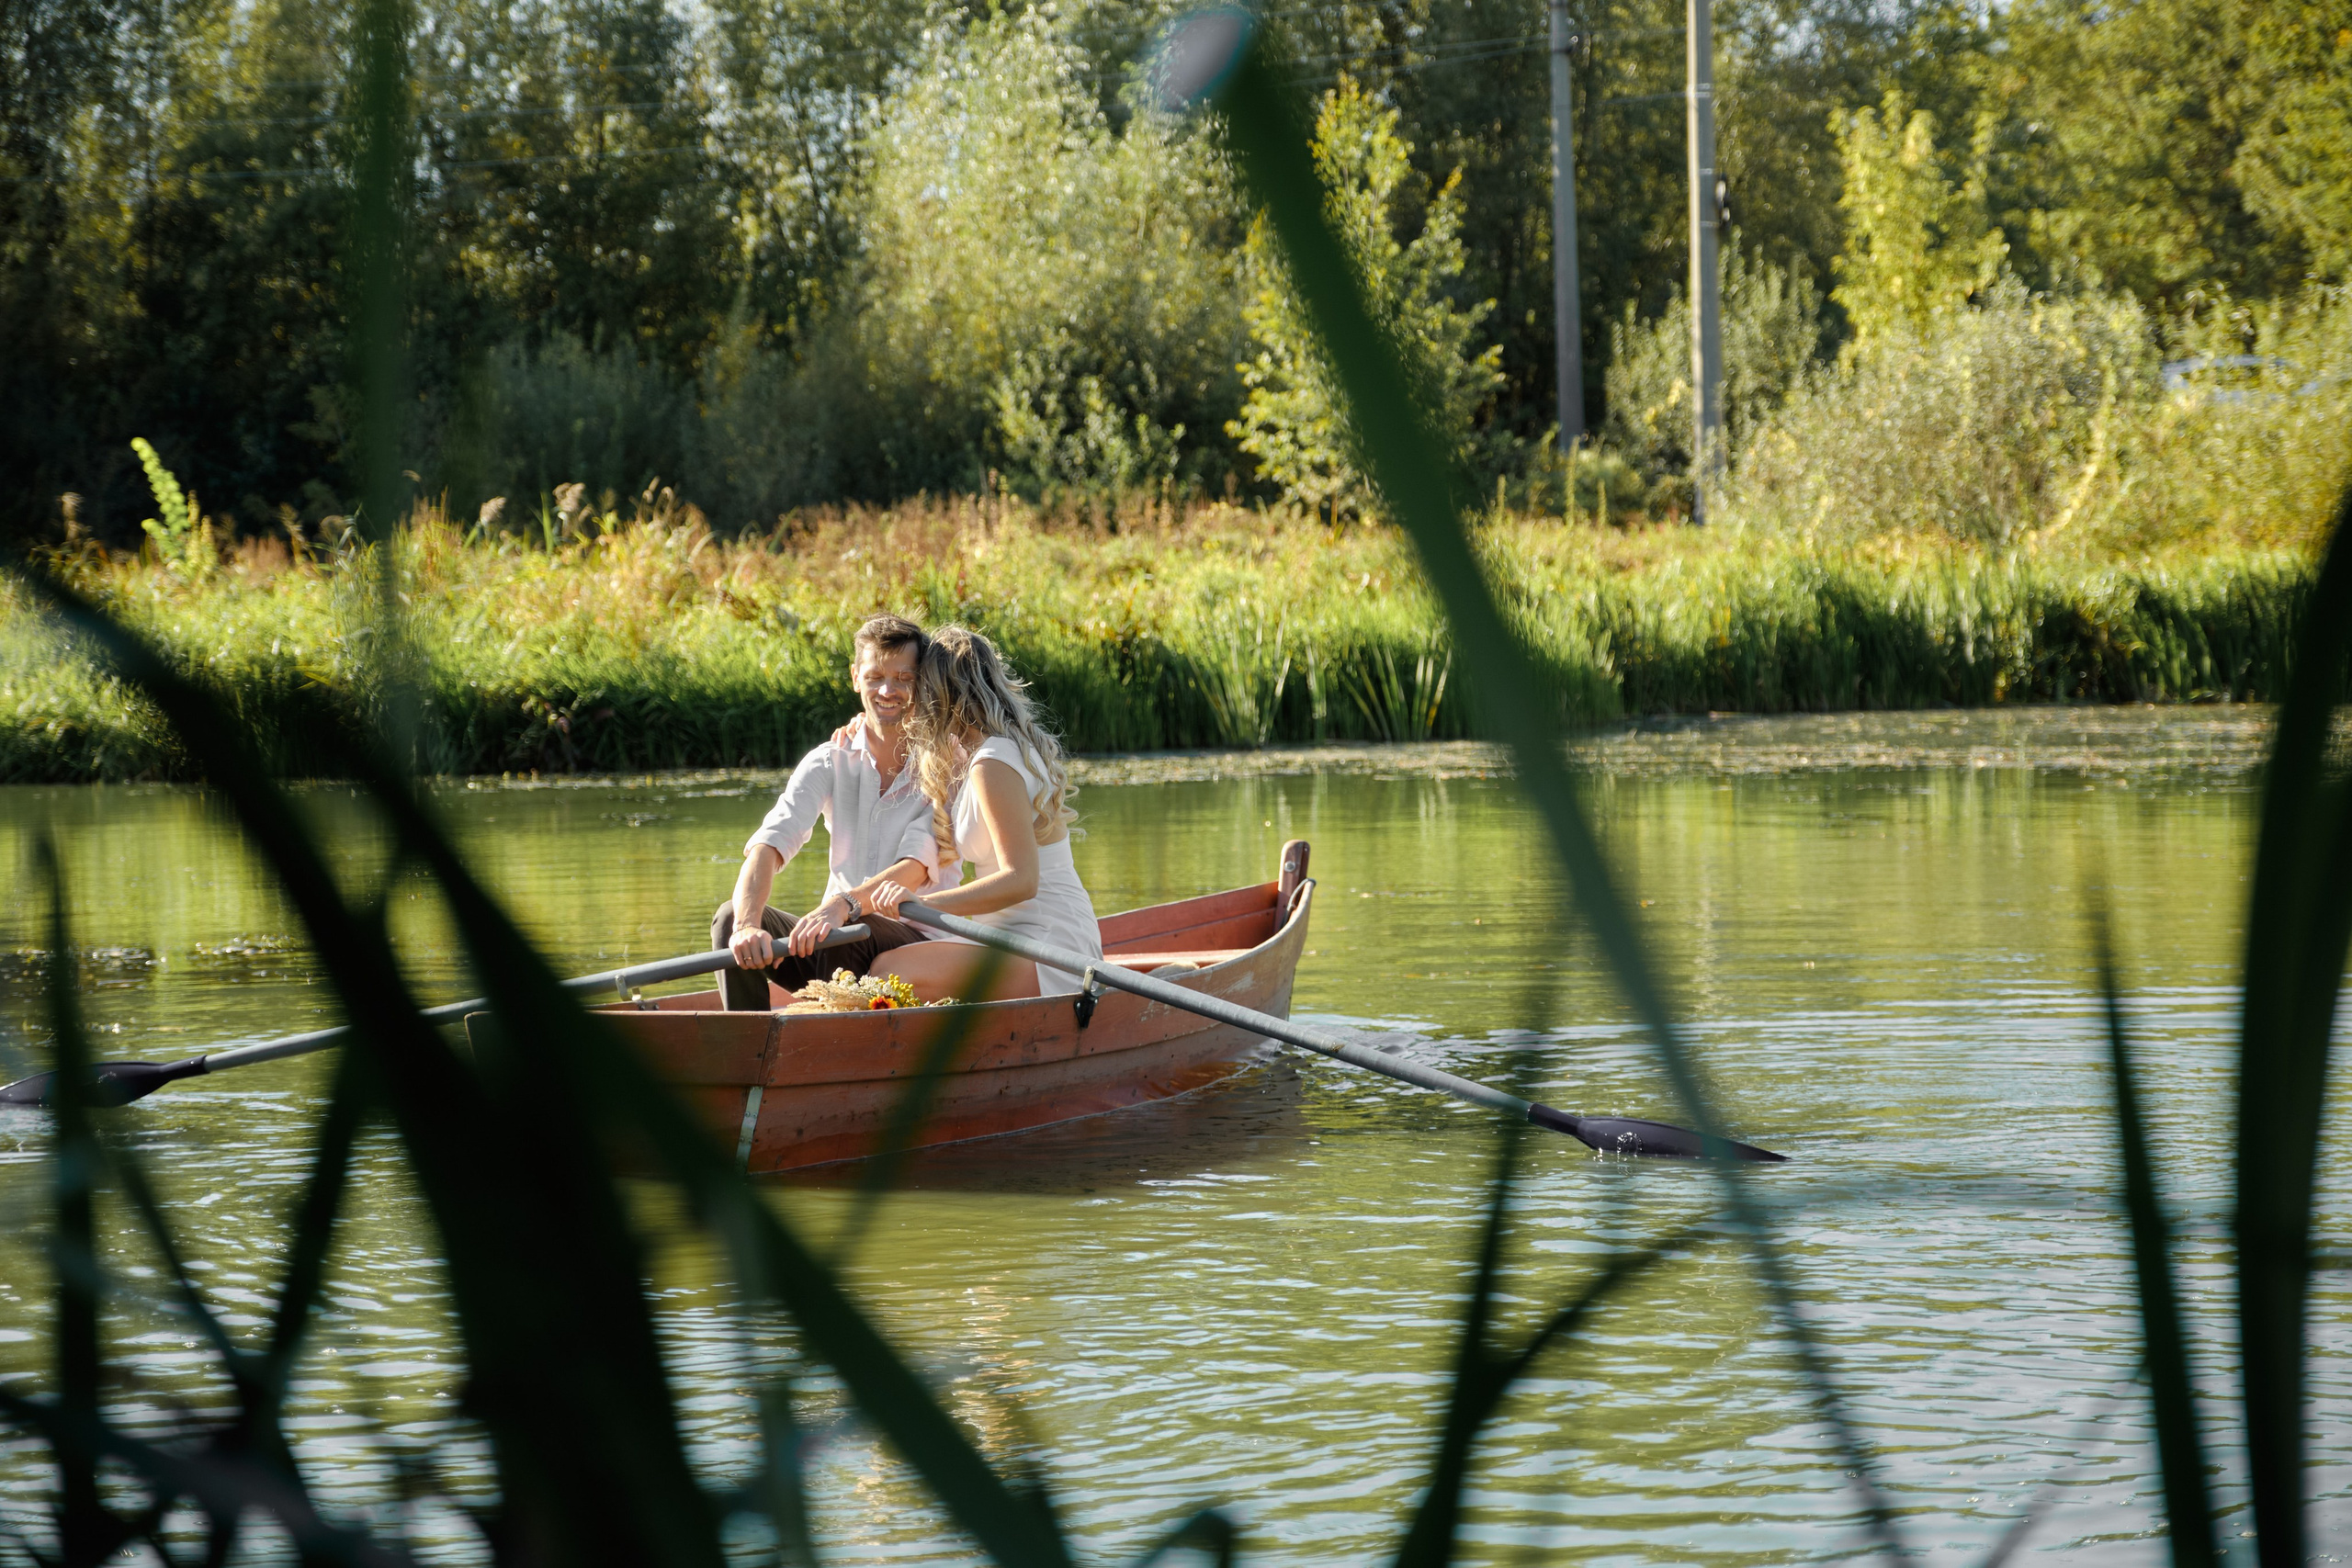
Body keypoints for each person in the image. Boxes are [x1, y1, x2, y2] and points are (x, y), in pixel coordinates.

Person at [712, 614, 956, 1010]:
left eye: (904, 678)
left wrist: (843, 904)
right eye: (875, 676)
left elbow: (918, 864)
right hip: (833, 939)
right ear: (855, 677)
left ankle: (833, 1048)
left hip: (915, 940)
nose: (887, 690)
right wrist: (747, 927)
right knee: (729, 919)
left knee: (852, 929)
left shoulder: (944, 765)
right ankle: (747, 1050)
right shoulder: (829, 760)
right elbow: (770, 844)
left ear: (921, 682)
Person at [866, 626, 1103, 1001]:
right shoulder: (985, 752)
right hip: (1006, 939)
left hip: (1049, 946)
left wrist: (923, 904)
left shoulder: (993, 762)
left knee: (887, 971)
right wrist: (859, 729)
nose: (913, 701)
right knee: (887, 970)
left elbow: (1021, 880)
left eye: (918, 687)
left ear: (942, 694)